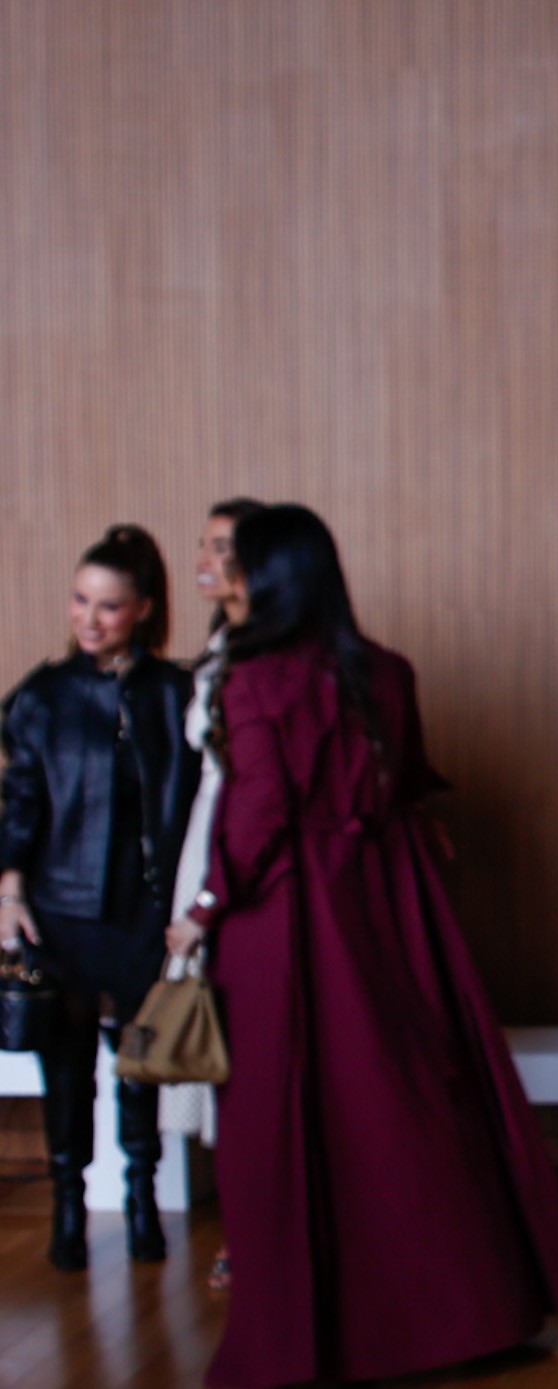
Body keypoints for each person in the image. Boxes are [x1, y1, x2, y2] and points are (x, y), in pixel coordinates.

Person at [166, 504, 558, 1388]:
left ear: (270, 576)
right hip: (388, 904)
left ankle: (307, 1336)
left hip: (284, 916)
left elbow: (258, 815)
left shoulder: (254, 677)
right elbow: (408, 782)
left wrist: (202, 908)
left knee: (279, 1116)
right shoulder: (387, 671)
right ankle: (464, 1314)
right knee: (399, 1109)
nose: (227, 572)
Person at [0, 524, 199, 1269]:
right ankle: (68, 1205)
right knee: (67, 1064)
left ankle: (143, 1196)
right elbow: (21, 802)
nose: (89, 618)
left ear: (143, 608)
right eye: (80, 600)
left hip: (145, 912)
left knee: (139, 1059)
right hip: (61, 911)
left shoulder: (176, 694)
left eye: (108, 605)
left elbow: (199, 804)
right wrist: (9, 888)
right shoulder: (44, 696)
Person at [167, 496, 263, 1293]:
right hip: (204, 833)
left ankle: (251, 1227)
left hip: (237, 841)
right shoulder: (217, 649)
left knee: (246, 1035)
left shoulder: (270, 654)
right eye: (203, 544)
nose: (206, 559)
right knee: (211, 1031)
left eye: (224, 546)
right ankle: (239, 1216)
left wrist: (209, 896)